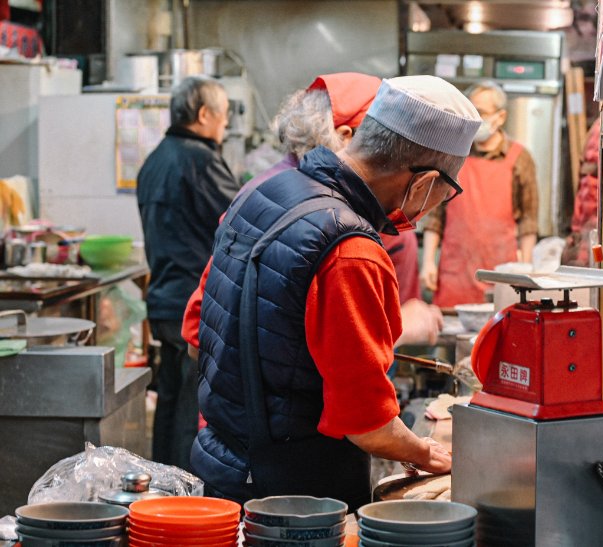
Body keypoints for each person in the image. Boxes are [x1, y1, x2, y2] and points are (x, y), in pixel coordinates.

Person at [191, 75, 481, 508]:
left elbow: (200, 335)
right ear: (422, 184)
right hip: (292, 498)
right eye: (446, 191)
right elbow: (367, 423)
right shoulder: (351, 250)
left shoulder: (265, 192)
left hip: (221, 462)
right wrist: (427, 452)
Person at [181, 73, 442, 358]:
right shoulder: (306, 209)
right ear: (345, 137)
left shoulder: (324, 196)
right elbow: (210, 334)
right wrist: (398, 327)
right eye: (384, 143)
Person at [136, 76, 241, 471]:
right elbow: (242, 216)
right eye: (224, 116)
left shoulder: (155, 158)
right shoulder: (200, 159)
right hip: (189, 305)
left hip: (162, 300)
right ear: (203, 115)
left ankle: (158, 481)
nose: (225, 125)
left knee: (169, 398)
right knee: (188, 407)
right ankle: (181, 492)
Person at [420, 80, 539, 307]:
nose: (475, 119)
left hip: (502, 274)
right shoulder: (453, 154)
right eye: (471, 112)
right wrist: (428, 263)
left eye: (481, 113)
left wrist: (526, 270)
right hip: (455, 274)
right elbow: (434, 216)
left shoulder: (520, 158)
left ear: (501, 117)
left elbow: (528, 221)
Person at [562, 121, 600, 266]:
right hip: (591, 231)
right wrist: (576, 230)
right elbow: (585, 188)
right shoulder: (599, 126)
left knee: (600, 262)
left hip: (601, 231)